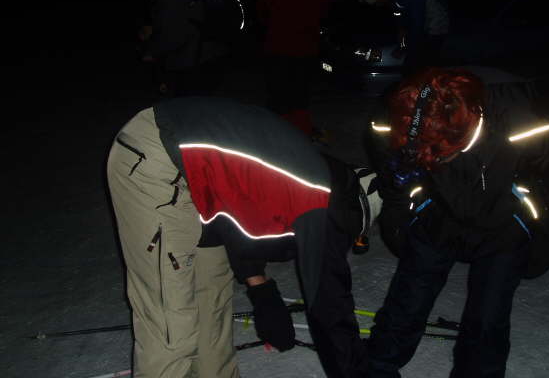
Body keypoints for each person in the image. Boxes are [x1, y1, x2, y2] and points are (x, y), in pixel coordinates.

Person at [106, 96, 382, 377]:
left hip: (201, 180)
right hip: (158, 155)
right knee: (171, 320)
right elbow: (329, 303)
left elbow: (240, 217)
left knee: (211, 301)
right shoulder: (321, 200)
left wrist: (263, 294)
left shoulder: (305, 174)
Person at [364, 67, 549, 377]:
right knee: (409, 296)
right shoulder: (392, 119)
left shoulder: (528, 122)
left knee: (488, 314)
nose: (432, 157)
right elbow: (392, 176)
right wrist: (403, 214)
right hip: (436, 211)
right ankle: (378, 365)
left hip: (505, 219)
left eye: (440, 151)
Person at [112, 0, 225, 97]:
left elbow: (174, 33)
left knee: (188, 110)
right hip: (202, 57)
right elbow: (182, 18)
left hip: (197, 62)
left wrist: (150, 50)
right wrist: (155, 29)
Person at [256, 0, 329, 136]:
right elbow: (322, 13)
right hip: (306, 49)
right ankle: (300, 138)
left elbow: (262, 16)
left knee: (279, 100)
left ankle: (278, 140)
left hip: (277, 49)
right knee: (299, 100)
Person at [360, 0, 450, 74]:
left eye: (377, 2)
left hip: (436, 12)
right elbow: (401, 21)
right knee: (414, 45)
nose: (378, 5)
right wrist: (401, 45)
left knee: (427, 50)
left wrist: (410, 53)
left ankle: (432, 72)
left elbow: (417, 25)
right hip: (420, 14)